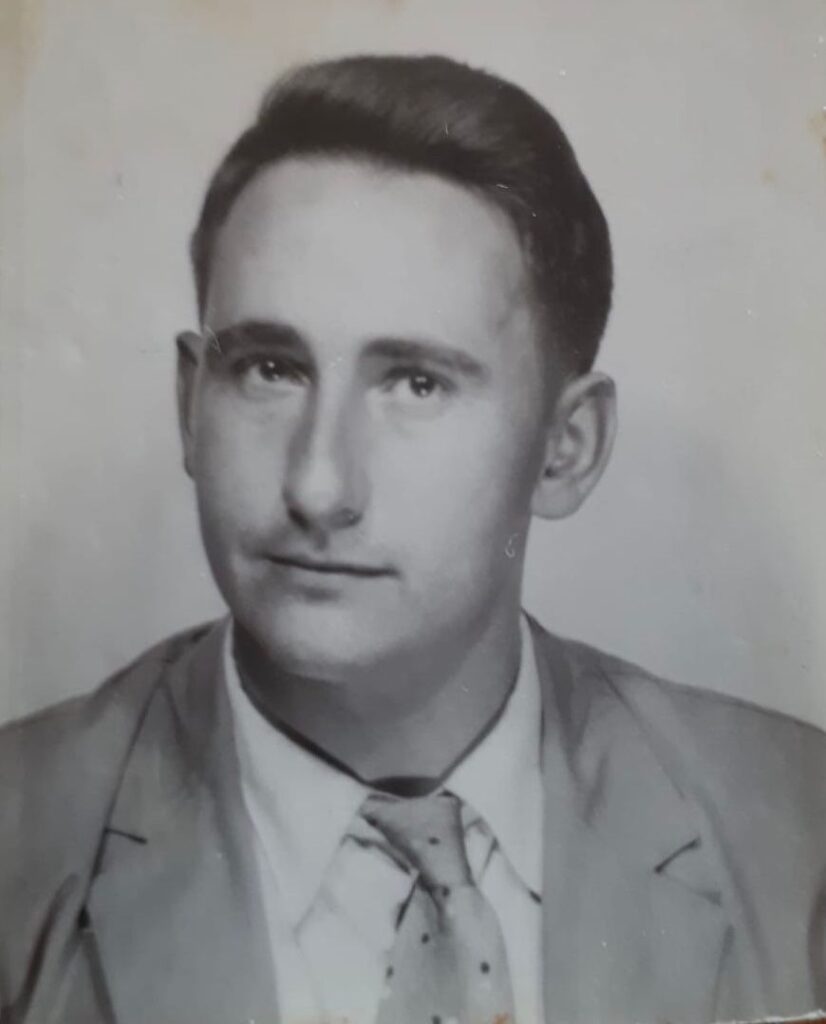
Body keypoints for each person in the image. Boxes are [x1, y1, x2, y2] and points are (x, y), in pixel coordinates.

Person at [1, 53, 824, 1024]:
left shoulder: (799, 831)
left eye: (416, 383)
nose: (317, 485)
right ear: (191, 405)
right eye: (269, 369)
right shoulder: (21, 843)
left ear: (566, 448)